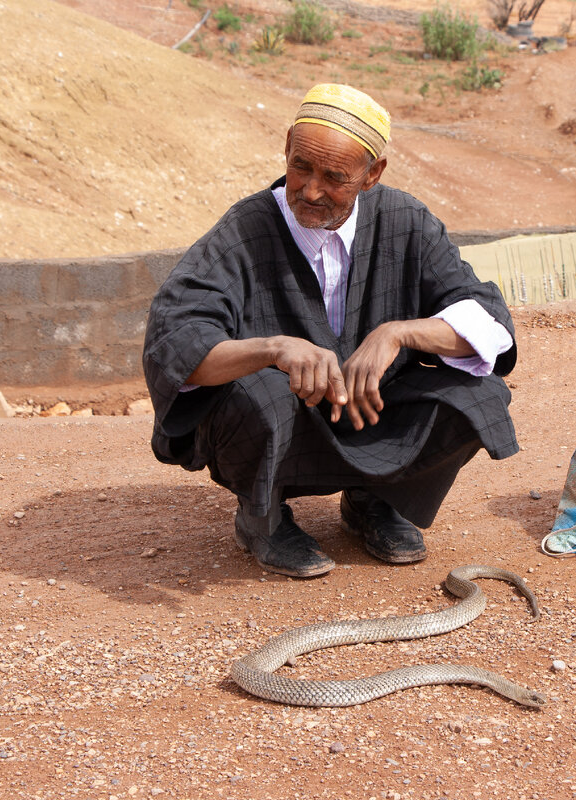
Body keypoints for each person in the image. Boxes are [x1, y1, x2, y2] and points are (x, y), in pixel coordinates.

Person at [142, 84, 519, 578]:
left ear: (372, 174)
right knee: (256, 396)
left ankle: (375, 501)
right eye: (301, 166)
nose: (310, 190)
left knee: (479, 395)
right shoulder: (245, 230)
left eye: (334, 177)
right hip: (287, 416)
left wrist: (397, 334)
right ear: (286, 146)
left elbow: (488, 320)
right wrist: (273, 349)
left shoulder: (406, 220)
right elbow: (176, 342)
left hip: (374, 408)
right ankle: (262, 518)